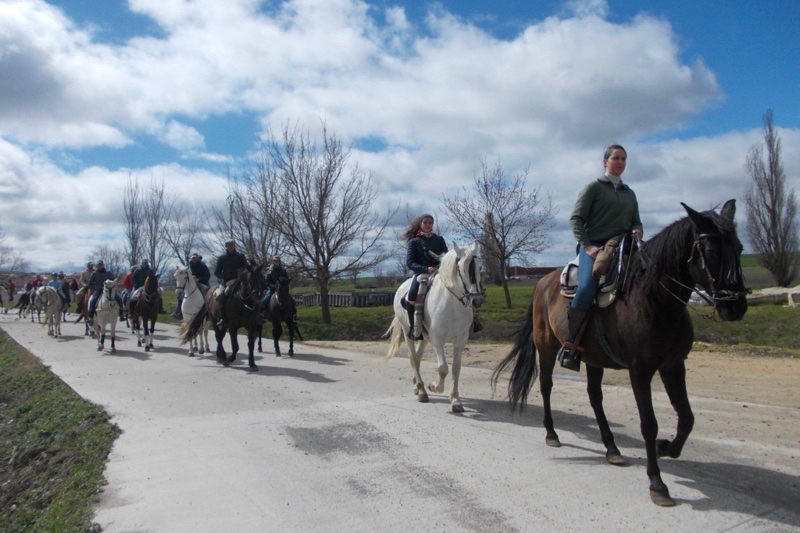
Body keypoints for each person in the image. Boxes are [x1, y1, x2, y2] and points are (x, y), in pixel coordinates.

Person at [559, 144, 644, 371]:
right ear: (605, 162)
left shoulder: (629, 193)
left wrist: (637, 229)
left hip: (623, 245)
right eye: (616, 158)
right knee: (587, 286)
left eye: (624, 158)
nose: (620, 162)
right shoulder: (593, 188)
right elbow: (576, 219)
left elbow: (636, 220)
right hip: (595, 247)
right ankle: (571, 345)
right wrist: (587, 246)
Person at [403, 214, 448, 340]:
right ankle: (414, 327)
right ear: (421, 224)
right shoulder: (414, 242)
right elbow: (410, 262)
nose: (428, 224)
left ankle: (472, 321)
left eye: (430, 222)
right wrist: (426, 269)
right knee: (411, 295)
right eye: (425, 222)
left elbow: (446, 257)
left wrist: (441, 266)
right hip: (421, 273)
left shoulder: (439, 239)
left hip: (439, 272)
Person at [213, 240, 248, 328]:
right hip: (227, 282)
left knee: (252, 293)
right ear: (226, 246)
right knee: (221, 296)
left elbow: (246, 268)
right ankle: (222, 318)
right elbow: (216, 272)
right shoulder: (222, 258)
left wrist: (242, 275)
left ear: (234, 245)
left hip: (240, 281)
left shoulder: (241, 256)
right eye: (228, 245)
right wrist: (224, 277)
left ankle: (257, 316)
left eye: (232, 244)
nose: (230, 246)